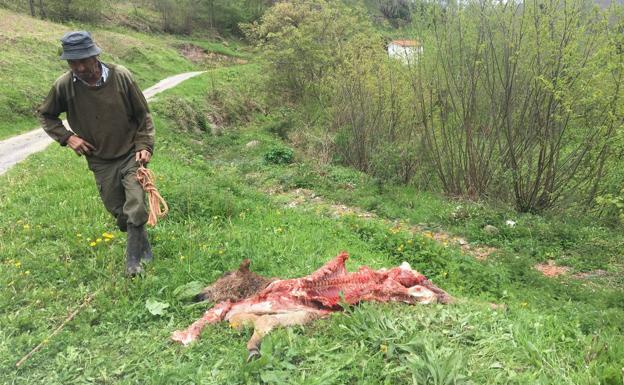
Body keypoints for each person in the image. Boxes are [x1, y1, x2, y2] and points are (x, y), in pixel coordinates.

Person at [38, 31, 155, 276]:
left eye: (84, 60)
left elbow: (143, 116)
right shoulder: (64, 86)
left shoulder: (121, 76)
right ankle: (143, 246)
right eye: (73, 62)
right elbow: (46, 115)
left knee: (135, 205)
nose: (79, 67)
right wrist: (68, 137)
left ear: (95, 55)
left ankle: (133, 264)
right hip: (100, 160)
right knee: (119, 213)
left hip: (130, 153)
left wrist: (144, 145)